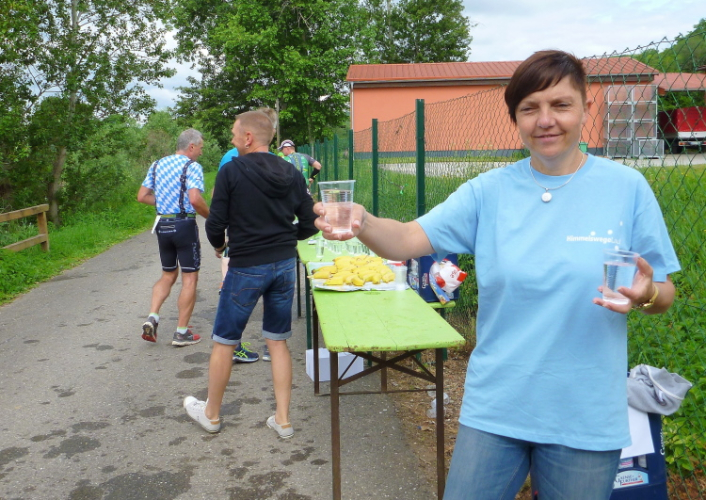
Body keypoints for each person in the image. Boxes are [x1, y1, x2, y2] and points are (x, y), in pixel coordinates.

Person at [313, 50, 680, 499]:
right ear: (516, 118)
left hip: (584, 413)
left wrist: (646, 294)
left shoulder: (626, 189)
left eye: (560, 105)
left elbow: (663, 291)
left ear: (586, 108)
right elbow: (407, 238)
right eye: (529, 108)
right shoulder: (489, 191)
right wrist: (363, 221)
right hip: (497, 407)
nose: (546, 120)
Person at [183, 108, 318, 438]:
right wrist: (287, 238)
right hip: (283, 266)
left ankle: (211, 414)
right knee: (278, 341)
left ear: (248, 137)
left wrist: (220, 246)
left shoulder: (232, 171)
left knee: (225, 341)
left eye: (234, 134)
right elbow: (311, 221)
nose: (231, 140)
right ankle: (283, 420)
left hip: (245, 266)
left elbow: (215, 224)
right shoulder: (291, 172)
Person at [137, 128, 210, 347]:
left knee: (168, 274)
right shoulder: (192, 166)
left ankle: (152, 316)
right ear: (191, 146)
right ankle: (181, 332)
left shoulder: (157, 165)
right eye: (200, 148)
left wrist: (163, 203)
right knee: (190, 278)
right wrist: (213, 217)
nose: (201, 152)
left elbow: (142, 196)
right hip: (184, 225)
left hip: (163, 225)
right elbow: (195, 199)